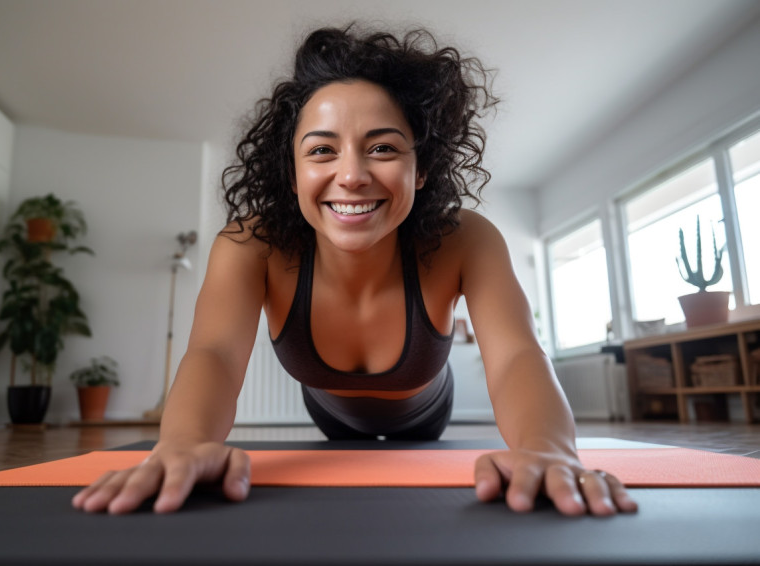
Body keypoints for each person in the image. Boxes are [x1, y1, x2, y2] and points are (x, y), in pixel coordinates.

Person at [72, 25, 637, 517]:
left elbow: (517, 354)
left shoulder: (466, 238)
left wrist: (548, 448)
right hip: (330, 414)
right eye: (321, 151)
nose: (352, 175)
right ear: (291, 175)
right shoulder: (251, 244)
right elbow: (214, 354)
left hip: (427, 409)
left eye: (383, 148)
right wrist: (183, 443)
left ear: (420, 170)